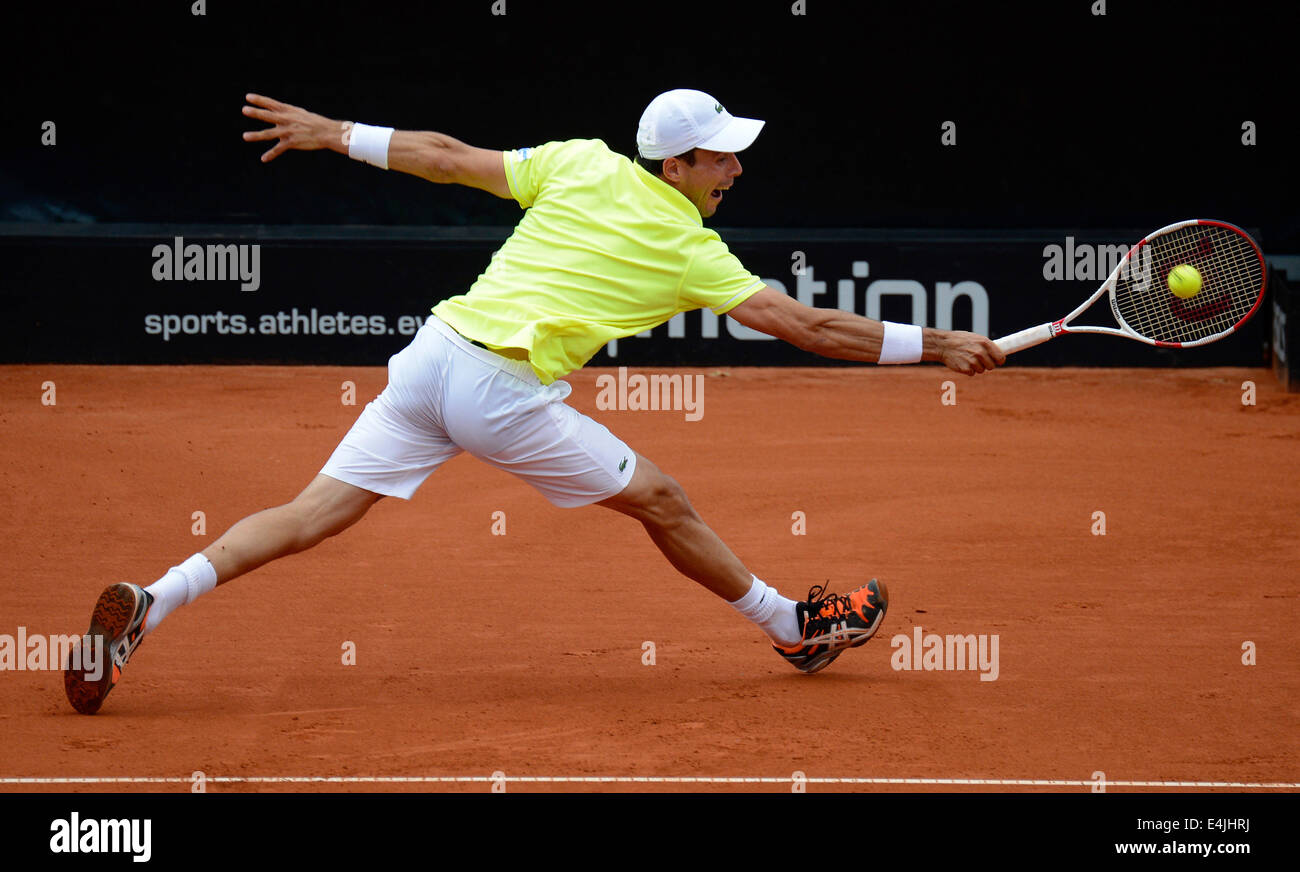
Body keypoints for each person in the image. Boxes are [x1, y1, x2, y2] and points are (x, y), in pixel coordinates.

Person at [64, 88, 1005, 714]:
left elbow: (443, 156)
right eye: (720, 157)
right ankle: (794, 631)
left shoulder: (580, 160)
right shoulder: (689, 248)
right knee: (663, 500)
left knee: (310, 514)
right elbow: (806, 327)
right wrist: (937, 344)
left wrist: (333, 133)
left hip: (430, 356)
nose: (736, 169)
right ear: (675, 167)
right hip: (496, 388)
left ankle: (152, 599)